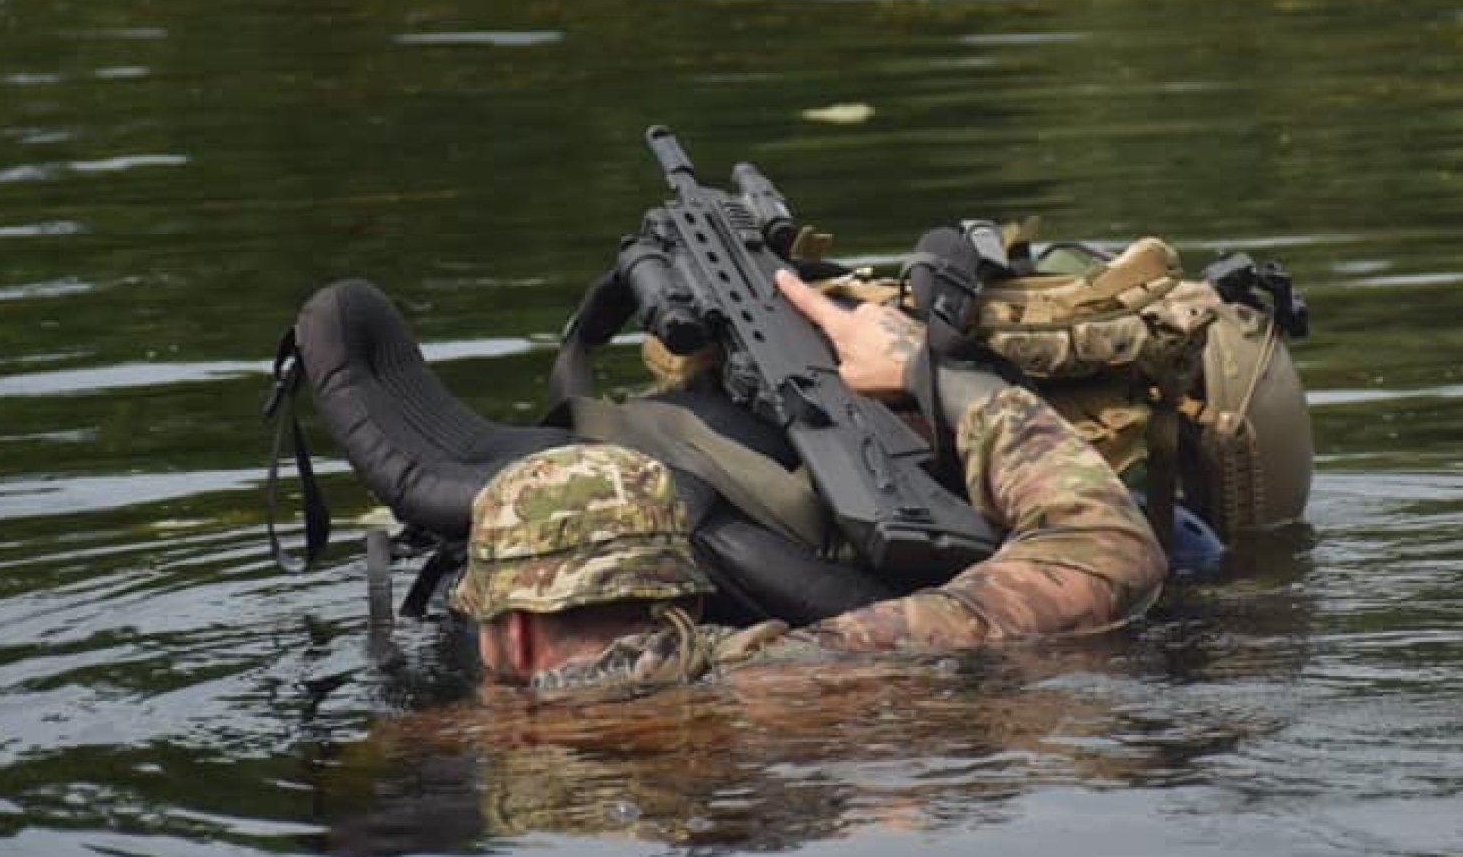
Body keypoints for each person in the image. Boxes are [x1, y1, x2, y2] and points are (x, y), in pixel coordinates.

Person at [448, 268, 1168, 698]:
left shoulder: (441, 742)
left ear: (511, 631)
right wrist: (932, 375)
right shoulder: (799, 677)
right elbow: (1107, 546)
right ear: (694, 594)